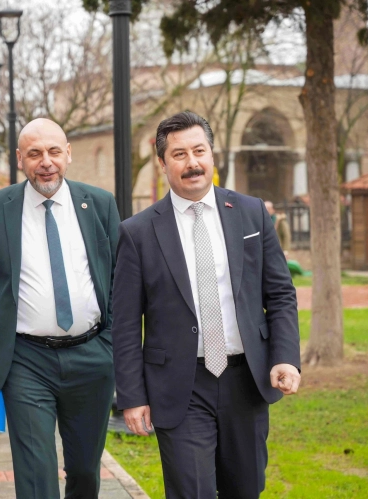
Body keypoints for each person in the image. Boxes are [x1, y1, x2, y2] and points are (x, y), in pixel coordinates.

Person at [111, 111, 300, 498]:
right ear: (162, 163)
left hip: (246, 379)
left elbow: (280, 293)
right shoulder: (137, 232)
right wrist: (132, 396)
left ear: (212, 155)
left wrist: (285, 357)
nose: (192, 163)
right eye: (179, 154)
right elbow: (126, 323)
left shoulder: (251, 213)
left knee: (245, 489)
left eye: (199, 151)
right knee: (191, 491)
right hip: (179, 385)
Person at [0, 118, 120, 499]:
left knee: (84, 471)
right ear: (20, 159)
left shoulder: (99, 203)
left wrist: (112, 344)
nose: (46, 162)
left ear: (68, 154)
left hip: (93, 355)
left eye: (54, 151)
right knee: (37, 473)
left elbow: (119, 279)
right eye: (35, 153)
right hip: (26, 360)